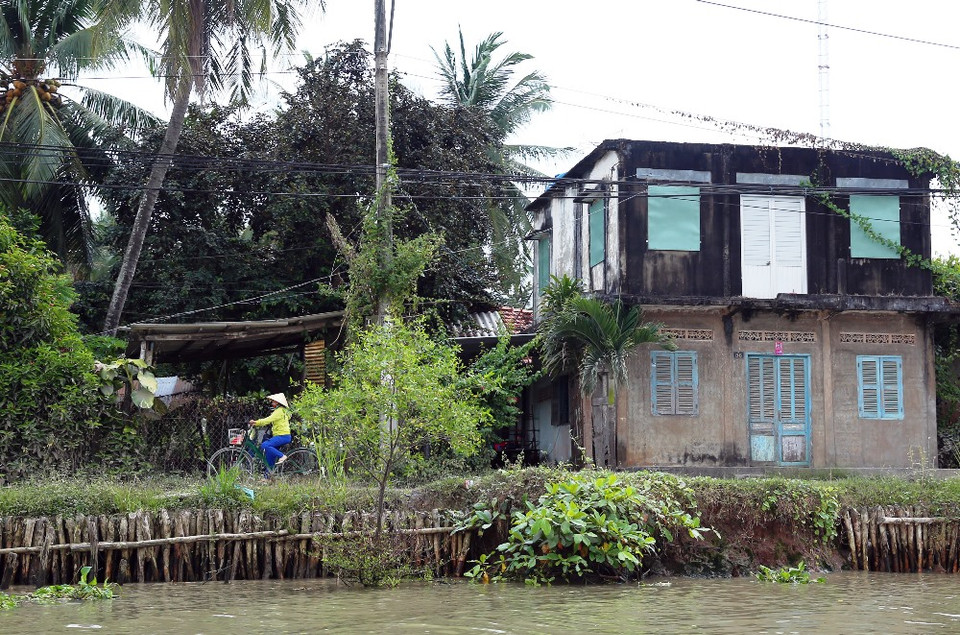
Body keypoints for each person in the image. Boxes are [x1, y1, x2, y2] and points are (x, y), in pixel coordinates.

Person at [248, 393, 292, 477]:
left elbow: (268, 420)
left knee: (265, 445)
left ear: (278, 402)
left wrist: (256, 422)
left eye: (273, 401)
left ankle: (282, 456)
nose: (272, 403)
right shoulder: (282, 411)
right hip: (280, 436)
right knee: (269, 454)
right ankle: (267, 477)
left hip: (283, 436)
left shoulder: (279, 411)